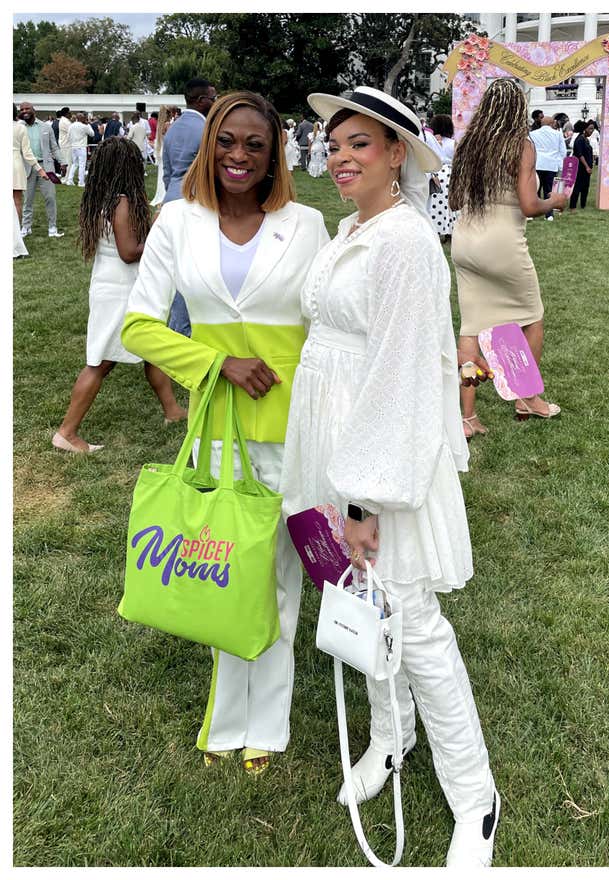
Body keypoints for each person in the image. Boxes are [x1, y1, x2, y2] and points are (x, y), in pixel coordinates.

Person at [280, 85, 498, 868]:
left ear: (396, 154)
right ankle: (389, 738)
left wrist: (362, 497)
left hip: (381, 459)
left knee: (410, 621)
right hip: (331, 443)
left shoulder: (403, 241)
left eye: (359, 144)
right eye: (332, 143)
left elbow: (402, 374)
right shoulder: (354, 230)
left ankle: (474, 795)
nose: (338, 155)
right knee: (357, 603)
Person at [121, 91, 329, 775]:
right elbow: (139, 324)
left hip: (292, 427)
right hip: (215, 428)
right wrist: (216, 364)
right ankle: (225, 719)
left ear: (275, 158)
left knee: (278, 582)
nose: (239, 155)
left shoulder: (306, 225)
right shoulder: (178, 221)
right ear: (208, 145)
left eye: (255, 145)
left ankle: (266, 723)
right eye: (228, 142)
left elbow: (327, 329)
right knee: (223, 575)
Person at [449, 78, 569, 435]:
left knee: (469, 329)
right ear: (518, 107)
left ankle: (467, 418)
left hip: (465, 242)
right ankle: (527, 397)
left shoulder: (468, 144)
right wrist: (556, 202)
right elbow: (530, 206)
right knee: (532, 317)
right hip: (502, 242)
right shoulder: (521, 144)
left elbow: (454, 201)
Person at [53, 137, 186, 454]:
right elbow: (129, 252)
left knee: (151, 345)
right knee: (100, 363)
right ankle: (67, 433)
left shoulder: (105, 199)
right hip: (119, 292)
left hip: (113, 286)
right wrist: (157, 225)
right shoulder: (122, 201)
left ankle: (172, 410)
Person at [161, 77, 217, 338]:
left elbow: (168, 171)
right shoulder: (206, 129)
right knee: (191, 268)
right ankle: (181, 329)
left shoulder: (172, 128)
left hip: (171, 198)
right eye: (213, 98)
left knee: (173, 267)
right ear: (200, 100)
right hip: (195, 200)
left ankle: (175, 325)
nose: (215, 102)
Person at [18, 101, 65, 238]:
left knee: (50, 197)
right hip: (27, 167)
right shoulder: (19, 128)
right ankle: (26, 227)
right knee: (27, 200)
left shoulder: (46, 127)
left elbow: (54, 147)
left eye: (27, 108)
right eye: (22, 109)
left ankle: (52, 227)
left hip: (46, 166)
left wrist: (62, 162)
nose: (24, 111)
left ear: (34, 110)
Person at [528, 115, 567, 221]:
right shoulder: (558, 134)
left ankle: (532, 213)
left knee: (535, 189)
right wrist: (560, 165)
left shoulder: (532, 134)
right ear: (552, 123)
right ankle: (549, 215)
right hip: (551, 165)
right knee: (549, 190)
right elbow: (562, 151)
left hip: (537, 164)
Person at [426, 113, 457, 241]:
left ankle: (436, 230)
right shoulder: (453, 143)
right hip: (449, 174)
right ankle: (450, 231)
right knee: (449, 205)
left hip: (435, 173)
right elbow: (457, 159)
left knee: (435, 204)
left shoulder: (431, 140)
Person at [569, 120, 595, 211]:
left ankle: (583, 205)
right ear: (584, 129)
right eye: (590, 129)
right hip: (580, 167)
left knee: (585, 187)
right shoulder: (579, 139)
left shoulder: (586, 139)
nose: (591, 131)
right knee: (577, 186)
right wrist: (587, 166)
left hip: (587, 167)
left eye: (593, 129)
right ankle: (573, 206)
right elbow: (580, 155)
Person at [150, 105, 172, 206]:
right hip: (167, 149)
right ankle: (164, 193)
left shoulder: (160, 125)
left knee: (162, 172)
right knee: (167, 171)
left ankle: (161, 193)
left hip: (161, 149)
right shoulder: (167, 125)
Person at [66, 111, 95, 187]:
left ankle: (70, 180)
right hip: (81, 147)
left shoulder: (71, 126)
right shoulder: (84, 126)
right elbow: (92, 134)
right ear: (82, 119)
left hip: (73, 146)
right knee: (82, 165)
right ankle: (81, 182)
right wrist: (88, 124)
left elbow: (68, 136)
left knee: (74, 164)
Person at [58, 107, 72, 181]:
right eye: (70, 113)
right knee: (68, 162)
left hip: (65, 144)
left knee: (66, 162)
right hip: (66, 144)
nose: (71, 114)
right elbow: (72, 131)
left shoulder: (65, 120)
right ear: (66, 114)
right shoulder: (65, 122)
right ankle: (66, 178)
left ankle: (65, 177)